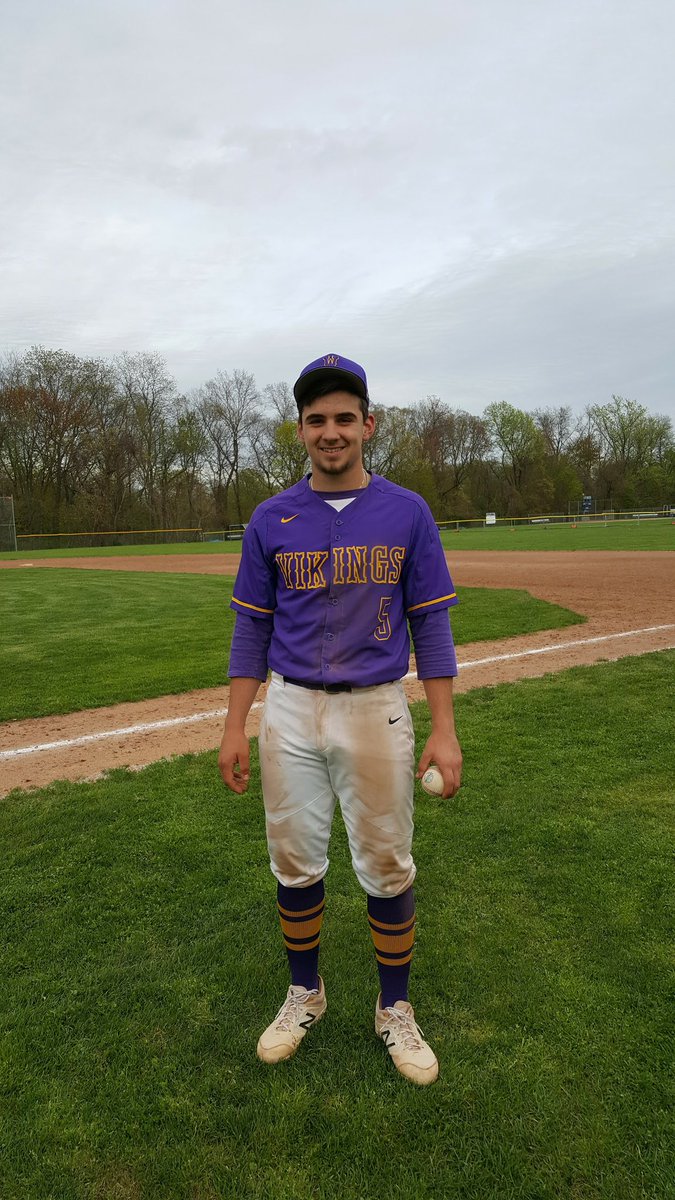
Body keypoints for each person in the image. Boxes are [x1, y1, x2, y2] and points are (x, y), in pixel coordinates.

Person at [218, 353, 462, 1085]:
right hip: (289, 707)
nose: (331, 431)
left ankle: (393, 1009)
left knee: (385, 864)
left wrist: (444, 729)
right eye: (316, 419)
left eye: (343, 418)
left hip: (375, 708)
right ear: (299, 429)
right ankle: (305, 992)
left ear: (367, 425)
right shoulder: (271, 518)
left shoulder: (407, 512)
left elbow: (432, 627)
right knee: (294, 861)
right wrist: (234, 725)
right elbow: (249, 632)